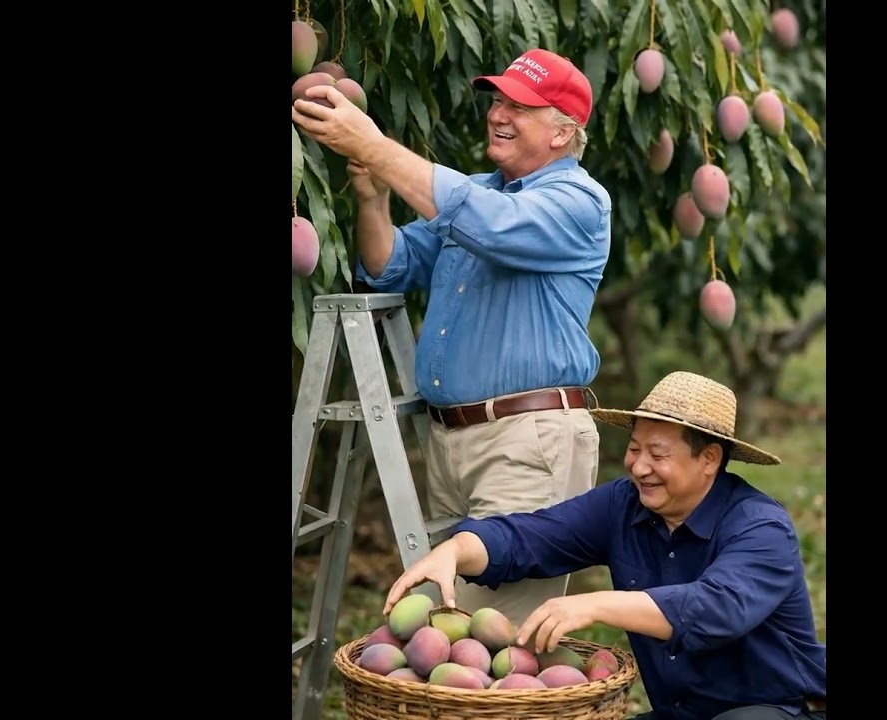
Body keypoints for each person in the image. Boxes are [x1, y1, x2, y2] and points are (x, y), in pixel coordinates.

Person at [292, 49, 613, 627]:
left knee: (497, 638)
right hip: (450, 442)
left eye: (520, 106)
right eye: (497, 101)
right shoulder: (478, 191)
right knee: (453, 625)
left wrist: (373, 145)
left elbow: (489, 223)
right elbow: (389, 267)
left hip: (527, 441)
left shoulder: (579, 203)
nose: (498, 114)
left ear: (564, 131)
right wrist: (373, 195)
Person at [382, 371, 827, 720]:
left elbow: (716, 608)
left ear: (709, 459)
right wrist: (458, 549)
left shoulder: (761, 528)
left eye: (658, 454)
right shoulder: (623, 505)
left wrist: (592, 605)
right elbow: (534, 536)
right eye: (634, 449)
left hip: (779, 710)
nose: (639, 466)